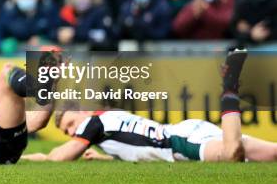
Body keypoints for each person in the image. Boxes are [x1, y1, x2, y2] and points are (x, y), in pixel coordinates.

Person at [23, 50, 277, 163]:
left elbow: (58, 158)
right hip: (186, 130)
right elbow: (136, 146)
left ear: (84, 112)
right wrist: (106, 157)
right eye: (67, 132)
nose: (70, 132)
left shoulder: (94, 123)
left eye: (69, 124)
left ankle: (230, 87)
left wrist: (18, 158)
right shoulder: (105, 122)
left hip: (179, 143)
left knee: (233, 154)